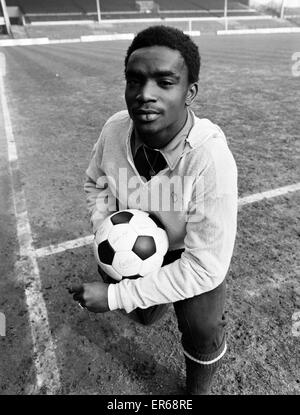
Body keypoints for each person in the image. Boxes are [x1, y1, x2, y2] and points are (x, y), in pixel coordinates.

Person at [70, 25, 238, 395]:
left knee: (203, 327)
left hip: (185, 254)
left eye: (165, 82)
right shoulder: (115, 129)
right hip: (133, 239)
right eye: (135, 81)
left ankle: (197, 392)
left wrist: (114, 296)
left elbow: (206, 267)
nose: (145, 95)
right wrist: (107, 231)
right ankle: (145, 295)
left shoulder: (210, 159)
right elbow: (94, 181)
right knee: (145, 316)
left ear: (189, 92)